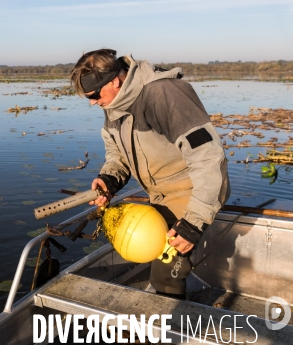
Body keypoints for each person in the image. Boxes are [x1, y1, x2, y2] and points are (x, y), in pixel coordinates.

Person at [69, 48, 230, 299]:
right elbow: (117, 153)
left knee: (166, 274)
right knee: (152, 257)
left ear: (115, 81)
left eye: (94, 94)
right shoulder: (114, 102)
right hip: (159, 193)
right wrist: (109, 178)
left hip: (191, 191)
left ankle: (167, 327)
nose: (92, 101)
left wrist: (194, 223)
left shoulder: (164, 94)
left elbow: (208, 157)